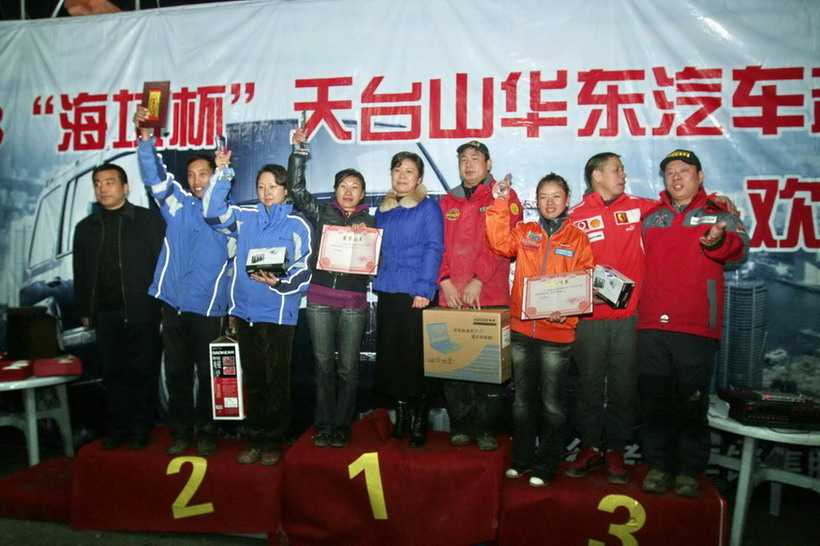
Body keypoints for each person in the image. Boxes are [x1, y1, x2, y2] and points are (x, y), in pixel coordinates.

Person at [638, 149, 748, 497]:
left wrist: (718, 240)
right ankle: (658, 465)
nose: (676, 177)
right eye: (670, 171)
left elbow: (739, 247)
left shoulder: (720, 214)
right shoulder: (651, 217)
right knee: (654, 403)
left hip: (696, 326)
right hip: (651, 324)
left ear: (700, 177)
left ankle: (689, 470)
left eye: (684, 170)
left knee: (691, 403)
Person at [202, 149, 313, 466]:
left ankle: (274, 442)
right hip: (244, 313)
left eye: (273, 186)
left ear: (285, 190)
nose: (266, 192)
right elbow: (212, 214)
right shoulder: (244, 217)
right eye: (261, 186)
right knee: (253, 381)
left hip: (278, 314)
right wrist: (222, 174)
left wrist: (280, 283)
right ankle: (255, 440)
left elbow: (305, 268)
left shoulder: (298, 224)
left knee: (276, 382)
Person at [133, 108, 231, 457]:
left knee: (209, 376)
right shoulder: (176, 205)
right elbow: (154, 175)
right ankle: (180, 432)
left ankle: (207, 432)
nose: (196, 180)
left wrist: (223, 174)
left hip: (209, 310)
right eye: (191, 174)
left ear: (215, 175)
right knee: (176, 374)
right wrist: (146, 139)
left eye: (204, 173)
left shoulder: (228, 216)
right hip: (173, 305)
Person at [486, 173, 594, 487]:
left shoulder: (577, 238)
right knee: (522, 401)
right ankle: (522, 460)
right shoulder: (525, 231)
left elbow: (584, 280)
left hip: (558, 336)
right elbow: (499, 243)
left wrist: (568, 308)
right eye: (543, 196)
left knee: (553, 404)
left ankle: (546, 465)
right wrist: (500, 201)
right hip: (522, 330)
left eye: (556, 196)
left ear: (567, 200)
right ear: (536, 201)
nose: (549, 202)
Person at [564, 153, 657, 483]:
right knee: (588, 388)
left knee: (623, 387)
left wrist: (715, 200)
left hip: (629, 319)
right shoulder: (575, 217)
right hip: (589, 319)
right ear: (597, 175)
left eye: (623, 169)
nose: (623, 175)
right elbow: (564, 267)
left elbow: (680, 204)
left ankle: (616, 449)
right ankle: (590, 446)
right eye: (617, 169)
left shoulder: (638, 207)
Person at [287, 128, 376, 448]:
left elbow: (376, 260)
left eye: (355, 187)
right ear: (335, 190)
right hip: (320, 299)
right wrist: (299, 153)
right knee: (323, 365)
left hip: (353, 302)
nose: (348, 192)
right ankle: (323, 424)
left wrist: (365, 237)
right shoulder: (321, 212)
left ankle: (342, 425)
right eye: (343, 186)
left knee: (348, 368)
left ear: (362, 194)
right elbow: (296, 189)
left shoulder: (372, 223)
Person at [73, 163, 165, 450]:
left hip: (142, 311)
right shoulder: (86, 228)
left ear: (125, 187)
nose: (103, 188)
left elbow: (163, 265)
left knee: (143, 372)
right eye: (98, 183)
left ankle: (141, 428)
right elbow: (80, 273)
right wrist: (84, 311)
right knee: (113, 374)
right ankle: (118, 428)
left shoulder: (148, 221)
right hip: (105, 314)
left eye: (109, 182)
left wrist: (163, 303)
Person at [438, 141, 523, 451]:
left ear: (489, 164)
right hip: (451, 298)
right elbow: (437, 246)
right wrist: (444, 280)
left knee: (489, 369)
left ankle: (487, 429)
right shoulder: (447, 201)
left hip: (489, 295)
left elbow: (502, 243)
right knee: (454, 366)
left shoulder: (503, 196)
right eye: (463, 159)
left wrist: (478, 279)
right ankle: (461, 426)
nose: (469, 164)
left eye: (475, 158)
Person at [373, 151, 444, 448]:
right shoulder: (383, 210)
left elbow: (434, 247)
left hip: (416, 293)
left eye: (409, 171)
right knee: (392, 358)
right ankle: (401, 417)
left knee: (417, 359)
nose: (402, 176)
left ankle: (419, 420)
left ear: (419, 178)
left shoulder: (428, 207)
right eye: (397, 170)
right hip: (388, 290)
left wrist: (424, 289)